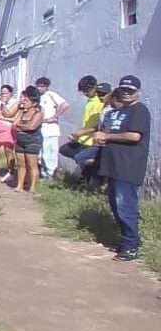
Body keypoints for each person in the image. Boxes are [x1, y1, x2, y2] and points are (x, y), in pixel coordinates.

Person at [93, 76, 151, 262]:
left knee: (124, 206)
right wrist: (102, 139)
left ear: (138, 92)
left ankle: (132, 245)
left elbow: (134, 136)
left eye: (131, 90)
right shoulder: (118, 111)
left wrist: (107, 136)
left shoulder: (139, 110)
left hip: (128, 166)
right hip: (113, 165)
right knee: (116, 206)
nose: (126, 92)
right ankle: (127, 241)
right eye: (124, 89)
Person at [0, 86, 44, 191]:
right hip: (20, 140)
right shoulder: (22, 112)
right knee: (21, 164)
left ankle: (32, 187)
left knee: (32, 165)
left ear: (34, 103)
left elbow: (32, 127)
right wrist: (22, 127)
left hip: (33, 141)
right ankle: (20, 185)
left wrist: (21, 126)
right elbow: (14, 125)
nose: (23, 101)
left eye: (27, 100)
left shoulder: (38, 113)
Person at [60, 77, 107, 181]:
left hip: (92, 140)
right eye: (83, 91)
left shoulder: (100, 102)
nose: (85, 93)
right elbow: (88, 122)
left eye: (87, 90)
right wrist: (79, 133)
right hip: (85, 138)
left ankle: (96, 164)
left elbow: (99, 125)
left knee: (81, 158)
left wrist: (82, 132)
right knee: (64, 149)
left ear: (94, 88)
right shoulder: (90, 101)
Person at [35, 76, 70, 180]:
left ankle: (49, 175)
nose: (40, 88)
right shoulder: (37, 97)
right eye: (38, 86)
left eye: (42, 86)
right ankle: (43, 173)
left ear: (47, 87)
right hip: (39, 128)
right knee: (40, 154)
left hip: (50, 129)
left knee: (49, 154)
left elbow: (65, 105)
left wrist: (54, 117)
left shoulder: (51, 95)